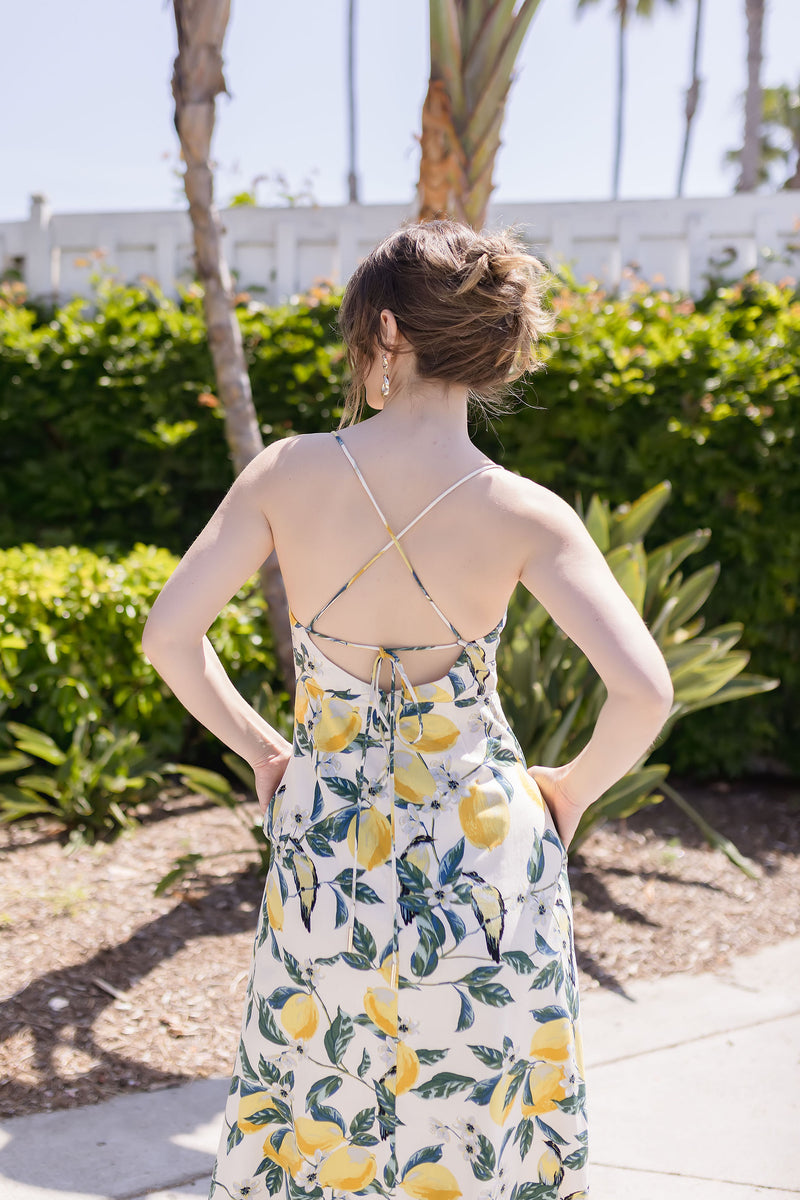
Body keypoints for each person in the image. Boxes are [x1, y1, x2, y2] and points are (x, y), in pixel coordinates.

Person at [142, 219, 673, 1200]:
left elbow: (169, 636)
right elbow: (645, 692)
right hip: (482, 843)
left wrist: (265, 755)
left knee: (322, 1101)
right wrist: (566, 792)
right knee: (477, 1115)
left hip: (327, 835)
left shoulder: (286, 474)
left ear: (385, 330)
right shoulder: (524, 511)